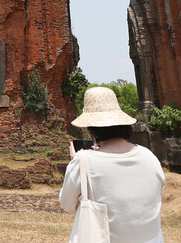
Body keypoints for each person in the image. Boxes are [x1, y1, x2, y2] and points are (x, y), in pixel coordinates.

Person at [59, 87, 165, 243]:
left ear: (91, 129)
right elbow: (155, 198)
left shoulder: (83, 161)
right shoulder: (149, 157)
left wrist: (77, 162)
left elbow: (67, 205)